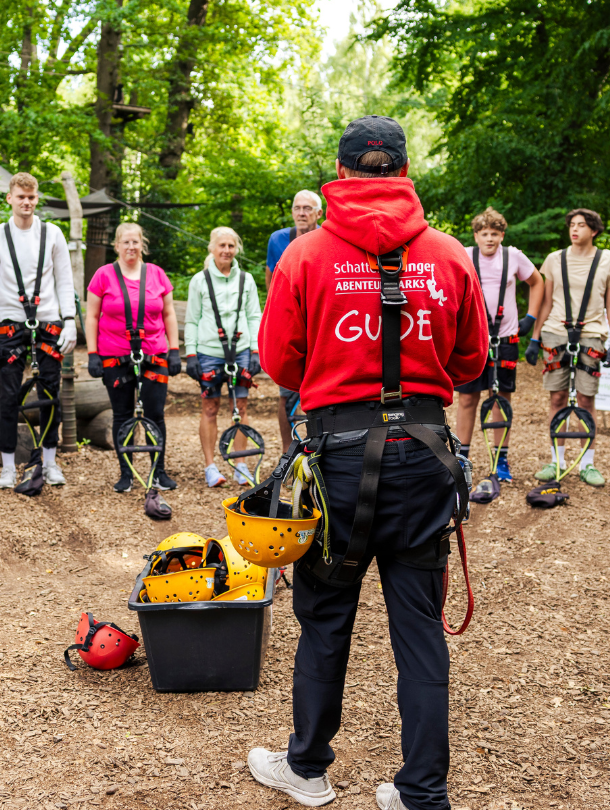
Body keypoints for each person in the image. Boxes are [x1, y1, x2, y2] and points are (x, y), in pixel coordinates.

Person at [250, 115, 488, 810]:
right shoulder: (448, 256)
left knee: (326, 617)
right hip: (422, 457)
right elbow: (472, 362)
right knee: (419, 625)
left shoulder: (305, 254)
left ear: (343, 170)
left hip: (340, 463)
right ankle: (422, 793)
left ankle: (308, 768)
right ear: (403, 169)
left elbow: (279, 362)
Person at [0, 172, 77, 489]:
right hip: (9, 325)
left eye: (32, 197)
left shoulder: (52, 234)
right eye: (21, 197)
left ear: (37, 199)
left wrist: (70, 320)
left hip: (48, 323)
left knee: (50, 393)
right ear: (10, 198)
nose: (27, 202)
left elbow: (64, 279)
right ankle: (8, 466)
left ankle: (49, 462)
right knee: (9, 395)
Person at [525, 209, 610, 487]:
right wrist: (535, 338)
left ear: (594, 230)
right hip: (556, 332)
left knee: (586, 399)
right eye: (572, 224)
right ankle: (557, 460)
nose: (575, 229)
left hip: (592, 334)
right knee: (557, 399)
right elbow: (545, 300)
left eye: (581, 225)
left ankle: (587, 463)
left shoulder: (608, 260)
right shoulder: (555, 260)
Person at [84, 223, 180, 493]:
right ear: (116, 245)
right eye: (125, 242)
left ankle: (158, 471)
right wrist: (93, 354)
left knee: (155, 412)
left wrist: (174, 350)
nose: (131, 247)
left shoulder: (157, 275)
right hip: (115, 353)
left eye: (135, 242)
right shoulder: (103, 275)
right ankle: (126, 472)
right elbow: (92, 316)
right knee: (122, 413)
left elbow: (169, 313)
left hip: (154, 351)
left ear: (142, 244)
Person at [453, 207, 542, 482]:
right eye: (484, 233)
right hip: (473, 338)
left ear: (502, 235)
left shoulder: (513, 256)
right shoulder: (465, 255)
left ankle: (500, 460)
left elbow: (537, 282)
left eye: (495, 233)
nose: (489, 238)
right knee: (467, 398)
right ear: (476, 235)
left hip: (505, 338)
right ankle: (461, 459)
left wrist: (531, 317)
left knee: (501, 400)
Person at [185, 226, 265, 487]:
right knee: (210, 408)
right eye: (222, 246)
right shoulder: (200, 280)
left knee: (240, 408)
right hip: (209, 353)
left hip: (240, 351)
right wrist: (191, 354)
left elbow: (255, 316)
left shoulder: (246, 279)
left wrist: (256, 350)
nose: (227, 251)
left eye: (231, 246)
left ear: (236, 249)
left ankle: (240, 463)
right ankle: (210, 467)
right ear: (212, 248)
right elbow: (192, 319)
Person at [266, 190, 322, 453]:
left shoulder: (326, 239)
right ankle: (287, 452)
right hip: (290, 324)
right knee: (286, 391)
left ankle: (318, 447)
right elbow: (270, 281)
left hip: (320, 327)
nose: (301, 213)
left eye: (307, 208)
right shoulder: (278, 240)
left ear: (318, 214)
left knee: (319, 389)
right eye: (297, 208)